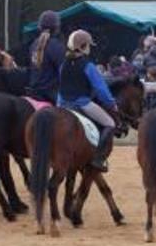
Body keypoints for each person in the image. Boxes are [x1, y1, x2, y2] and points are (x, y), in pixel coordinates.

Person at [58, 30, 120, 172]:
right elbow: (101, 89)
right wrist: (111, 104)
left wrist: (59, 105)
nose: (90, 48)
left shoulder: (63, 65)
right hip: (82, 103)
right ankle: (98, 159)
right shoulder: (88, 66)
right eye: (88, 45)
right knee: (110, 123)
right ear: (83, 46)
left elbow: (61, 87)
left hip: (63, 103)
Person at [27, 10, 66, 104]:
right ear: (57, 28)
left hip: (33, 92)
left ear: (40, 27)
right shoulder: (58, 46)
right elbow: (64, 72)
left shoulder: (33, 44)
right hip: (51, 94)